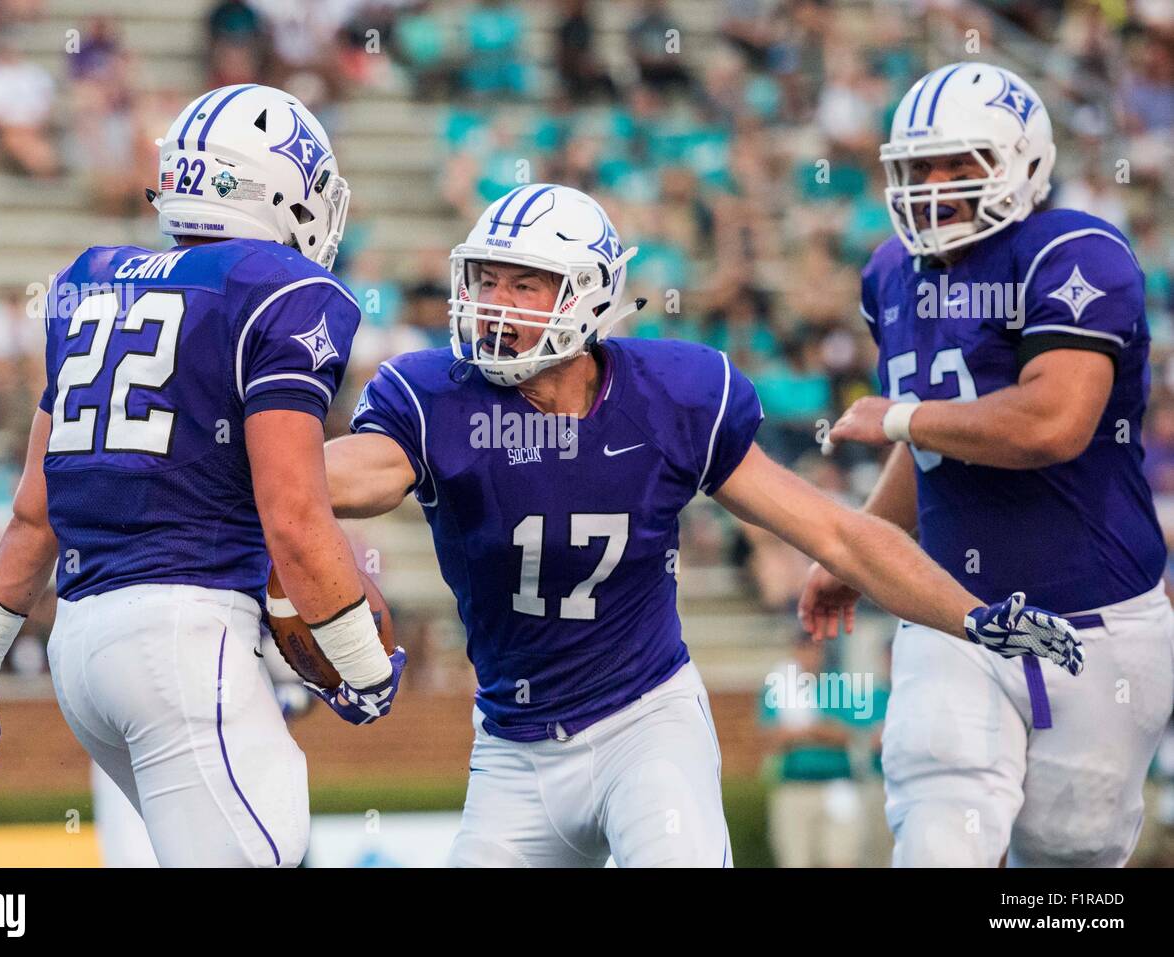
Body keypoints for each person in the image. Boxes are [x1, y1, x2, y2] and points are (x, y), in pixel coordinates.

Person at [325, 182, 1081, 867]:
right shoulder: (435, 397)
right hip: (512, 749)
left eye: (525, 284)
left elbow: (835, 533)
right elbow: (346, 475)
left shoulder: (671, 397)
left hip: (644, 723)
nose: (495, 302)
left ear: (588, 298)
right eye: (487, 279)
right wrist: (241, 475)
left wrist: (974, 617)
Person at [0, 84, 405, 867]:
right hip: (184, 638)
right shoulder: (282, 292)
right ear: (275, 191)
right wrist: (360, 661)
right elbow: (292, 512)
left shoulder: (93, 278)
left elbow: (35, 512)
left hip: (82, 652)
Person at [806, 63, 1174, 867]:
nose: (931, 188)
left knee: (1070, 862)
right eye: (916, 168)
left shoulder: (1071, 252)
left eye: (956, 165)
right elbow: (938, 444)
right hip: (955, 614)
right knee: (940, 823)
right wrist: (863, 546)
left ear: (1020, 162)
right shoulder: (889, 274)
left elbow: (1052, 422)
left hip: (1098, 618)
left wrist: (899, 414)